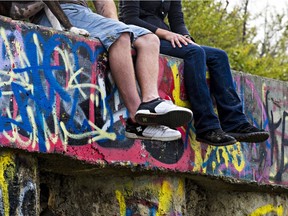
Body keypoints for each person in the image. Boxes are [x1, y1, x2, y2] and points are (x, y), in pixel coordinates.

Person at [31, 0, 193, 142]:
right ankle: (137, 122)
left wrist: (117, 27)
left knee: (149, 39)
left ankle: (151, 102)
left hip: (85, 14)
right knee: (120, 35)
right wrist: (119, 33)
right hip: (60, 12)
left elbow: (104, 4)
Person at [119, 0, 270, 146]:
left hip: (166, 39)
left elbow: (177, 21)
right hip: (143, 38)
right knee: (194, 53)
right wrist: (166, 34)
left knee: (219, 56)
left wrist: (186, 37)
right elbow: (129, 18)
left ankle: (234, 123)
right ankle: (207, 127)